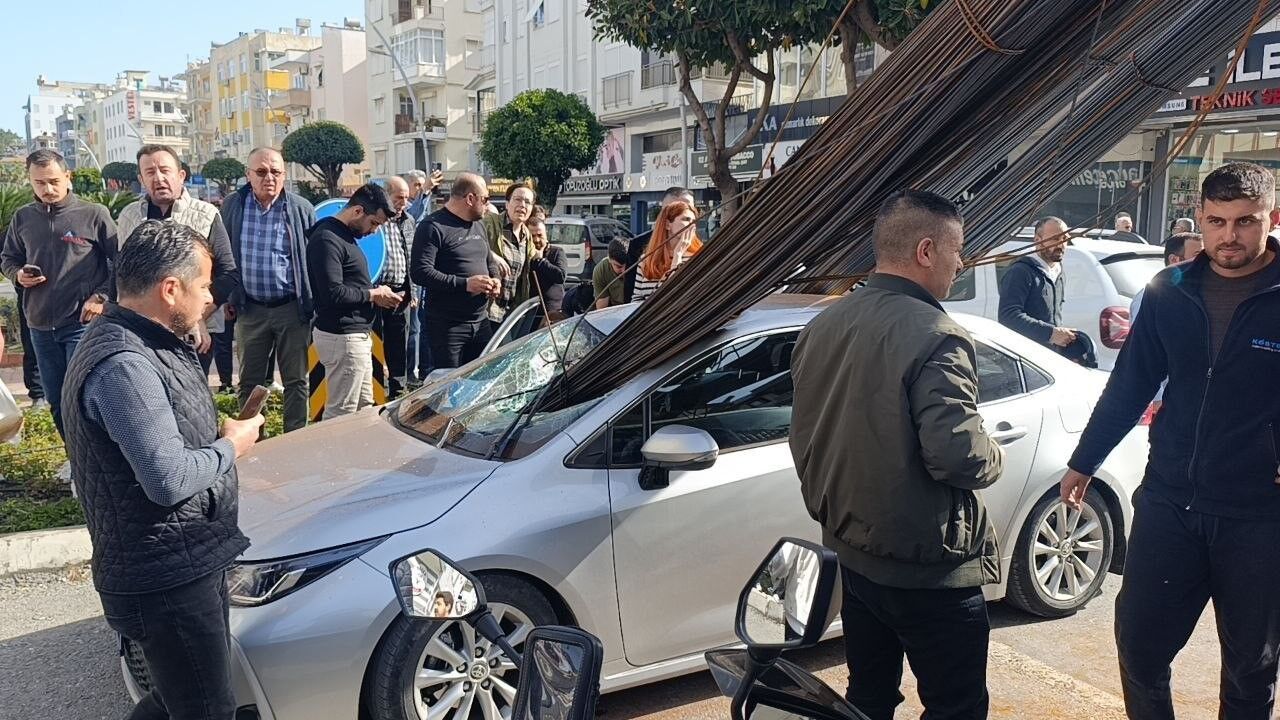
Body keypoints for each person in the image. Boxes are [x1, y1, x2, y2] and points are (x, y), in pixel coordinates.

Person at [1061, 161, 1280, 720]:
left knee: (1251, 669)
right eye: (1217, 221)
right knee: (1139, 647)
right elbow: (1131, 383)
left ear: (1271, 219)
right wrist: (1084, 461)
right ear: (1199, 219)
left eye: (1245, 221)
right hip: (1169, 502)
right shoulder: (1169, 291)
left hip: (1259, 515)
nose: (1229, 236)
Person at [791, 189, 1003, 720]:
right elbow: (958, 456)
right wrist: (994, 451)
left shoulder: (823, 324)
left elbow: (805, 437)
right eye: (958, 251)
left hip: (853, 554)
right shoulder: (938, 335)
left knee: (869, 697)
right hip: (928, 568)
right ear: (926, 251)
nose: (961, 264)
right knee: (956, 708)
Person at [62, 220, 265, 720]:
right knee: (205, 708)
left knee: (177, 699)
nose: (211, 297)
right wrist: (231, 445)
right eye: (204, 285)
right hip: (167, 576)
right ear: (170, 289)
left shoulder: (146, 340)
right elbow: (167, 479)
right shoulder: (123, 363)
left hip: (182, 558)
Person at [1, 149, 116, 437]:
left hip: (82, 323)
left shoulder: (93, 214)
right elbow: (8, 258)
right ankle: (74, 455)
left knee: (85, 398)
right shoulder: (23, 217)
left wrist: (101, 297)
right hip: (39, 325)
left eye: (53, 181)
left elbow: (122, 263)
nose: (48, 189)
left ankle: (96, 459)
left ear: (67, 176)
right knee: (56, 401)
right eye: (39, 183)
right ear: (30, 181)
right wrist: (18, 274)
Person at [116, 144, 239, 387]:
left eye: (165, 170)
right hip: (143, 330)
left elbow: (229, 273)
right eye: (150, 172)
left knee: (190, 395)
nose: (158, 178)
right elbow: (120, 275)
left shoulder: (206, 214)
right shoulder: (129, 217)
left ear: (181, 175)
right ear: (141, 179)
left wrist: (197, 317)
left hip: (194, 331)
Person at [220, 147, 317, 433]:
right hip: (250, 309)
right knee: (249, 381)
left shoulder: (300, 208)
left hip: (291, 309)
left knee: (296, 380)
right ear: (248, 175)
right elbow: (222, 254)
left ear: (284, 175)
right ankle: (252, 439)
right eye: (261, 172)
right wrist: (227, 297)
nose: (269, 178)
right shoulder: (233, 206)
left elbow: (312, 258)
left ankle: (294, 439)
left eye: (275, 172)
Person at [306, 184, 402, 419]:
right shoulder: (327, 238)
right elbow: (333, 293)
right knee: (342, 413)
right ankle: (333, 446)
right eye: (374, 223)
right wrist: (373, 294)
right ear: (358, 211)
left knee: (363, 409)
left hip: (353, 336)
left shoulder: (341, 236)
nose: (374, 231)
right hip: (343, 337)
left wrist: (374, 292)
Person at [410, 172, 501, 369]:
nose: (487, 205)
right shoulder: (432, 226)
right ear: (470, 199)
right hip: (447, 326)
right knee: (449, 382)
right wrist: (465, 284)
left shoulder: (478, 225)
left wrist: (495, 279)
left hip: (480, 321)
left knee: (481, 379)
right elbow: (420, 272)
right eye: (485, 199)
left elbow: (488, 260)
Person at [998, 216, 1078, 351]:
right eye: (1055, 238)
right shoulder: (1020, 271)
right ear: (1037, 240)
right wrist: (1051, 333)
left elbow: (1054, 318)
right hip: (1025, 355)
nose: (1061, 244)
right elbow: (1008, 316)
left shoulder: (1059, 272)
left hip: (1049, 355)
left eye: (1065, 239)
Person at [377, 177, 417, 399]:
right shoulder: (377, 219)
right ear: (387, 196)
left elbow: (412, 256)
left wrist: (413, 291)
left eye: (406, 198)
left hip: (401, 291)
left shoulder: (409, 220)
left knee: (400, 343)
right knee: (375, 341)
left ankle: (398, 391)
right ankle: (375, 388)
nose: (403, 203)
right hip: (376, 291)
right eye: (398, 198)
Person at [624, 186, 695, 302]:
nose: (686, 209)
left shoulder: (699, 254)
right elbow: (633, 297)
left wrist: (677, 257)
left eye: (690, 208)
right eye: (677, 208)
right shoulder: (644, 254)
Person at [489, 182, 537, 322]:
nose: (522, 205)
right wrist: (492, 256)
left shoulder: (526, 235)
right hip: (487, 309)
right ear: (507, 204)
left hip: (510, 314)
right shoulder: (490, 223)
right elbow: (471, 245)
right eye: (517, 199)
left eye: (527, 202)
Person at [528, 217, 568, 315]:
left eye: (539, 235)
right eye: (532, 236)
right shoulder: (525, 255)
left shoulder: (557, 252)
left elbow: (561, 276)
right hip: (530, 309)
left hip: (552, 310)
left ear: (546, 234)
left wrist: (542, 261)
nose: (536, 240)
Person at [593, 239, 630, 310]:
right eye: (618, 267)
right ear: (609, 259)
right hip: (614, 310)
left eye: (627, 265)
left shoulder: (638, 265)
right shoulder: (602, 270)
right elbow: (602, 309)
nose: (624, 271)